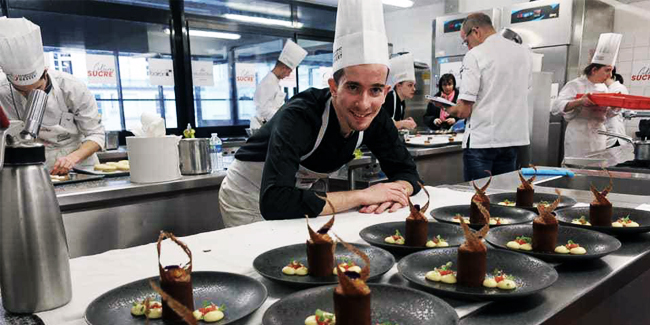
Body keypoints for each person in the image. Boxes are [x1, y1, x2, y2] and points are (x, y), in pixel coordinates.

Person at [218, 0, 421, 228]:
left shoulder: (377, 118)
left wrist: (394, 192)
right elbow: (275, 202)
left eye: (375, 89)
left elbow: (407, 172)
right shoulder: (301, 116)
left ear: (385, 92)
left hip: (297, 196)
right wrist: (365, 195)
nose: (364, 104)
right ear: (334, 87)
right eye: (353, 87)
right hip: (250, 197)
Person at [0, 17, 104, 175]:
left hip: (80, 165)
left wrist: (72, 158)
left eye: (36, 89)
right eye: (21, 91)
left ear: (45, 73)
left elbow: (95, 133)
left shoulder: (72, 87)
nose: (29, 97)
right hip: (34, 168)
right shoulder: (3, 91)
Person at [441, 13, 532, 181]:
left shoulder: (475, 55)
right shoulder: (525, 53)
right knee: (502, 198)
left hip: (482, 142)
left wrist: (446, 107)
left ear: (476, 32)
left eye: (466, 41)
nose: (468, 47)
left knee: (479, 199)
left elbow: (463, 111)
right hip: (512, 140)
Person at [250, 39, 308, 129]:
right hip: (263, 126)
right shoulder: (268, 83)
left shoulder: (275, 82)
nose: (288, 75)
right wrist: (283, 116)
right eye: (289, 71)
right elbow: (264, 110)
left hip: (271, 125)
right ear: (283, 68)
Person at [382, 53, 417, 130]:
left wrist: (405, 123)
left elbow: (395, 124)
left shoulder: (402, 102)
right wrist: (402, 123)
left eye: (414, 85)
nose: (414, 89)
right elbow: (382, 126)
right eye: (410, 85)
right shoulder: (390, 98)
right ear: (398, 85)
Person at [604, 67, 629, 148]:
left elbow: (611, 111)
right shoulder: (605, 89)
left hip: (614, 137)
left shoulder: (619, 88)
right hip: (606, 136)